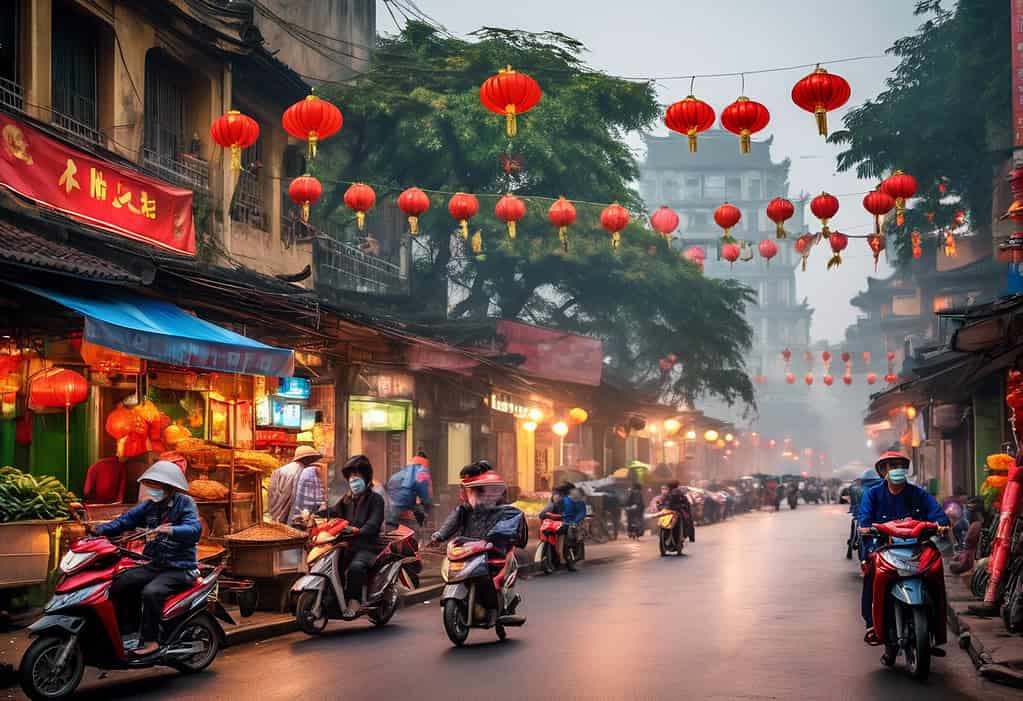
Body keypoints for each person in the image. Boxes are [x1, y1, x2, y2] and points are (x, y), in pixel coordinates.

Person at [91, 461, 201, 657]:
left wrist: (170, 529)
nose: (153, 490)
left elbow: (194, 530)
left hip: (180, 568)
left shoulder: (185, 504)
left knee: (152, 592)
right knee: (120, 583)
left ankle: (151, 642)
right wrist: (98, 530)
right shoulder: (150, 506)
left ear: (169, 488)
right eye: (151, 485)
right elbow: (125, 521)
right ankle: (129, 631)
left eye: (157, 486)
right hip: (156, 564)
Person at [858, 450, 948, 645]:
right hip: (884, 547)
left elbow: (936, 512)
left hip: (917, 547)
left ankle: (937, 622)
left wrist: (941, 523)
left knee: (935, 573)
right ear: (883, 471)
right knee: (870, 576)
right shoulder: (872, 494)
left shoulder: (918, 493)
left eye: (900, 466)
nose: (897, 470)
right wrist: (866, 530)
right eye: (892, 466)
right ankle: (872, 624)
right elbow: (864, 520)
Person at [321, 455, 385, 620]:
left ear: (366, 479)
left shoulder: (376, 499)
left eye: (356, 478)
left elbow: (374, 523)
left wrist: (360, 530)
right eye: (351, 478)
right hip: (347, 544)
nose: (353, 482)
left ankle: (354, 602)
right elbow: (332, 512)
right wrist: (312, 516)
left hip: (368, 546)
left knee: (356, 568)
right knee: (331, 565)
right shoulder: (347, 499)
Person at [268, 446, 323, 524]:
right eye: (312, 459)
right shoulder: (303, 471)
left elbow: (272, 493)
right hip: (291, 516)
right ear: (306, 458)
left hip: (276, 513)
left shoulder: (280, 470)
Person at [384, 451, 432, 530]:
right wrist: (427, 511)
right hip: (403, 515)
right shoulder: (421, 475)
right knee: (415, 532)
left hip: (388, 515)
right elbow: (426, 498)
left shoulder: (396, 476)